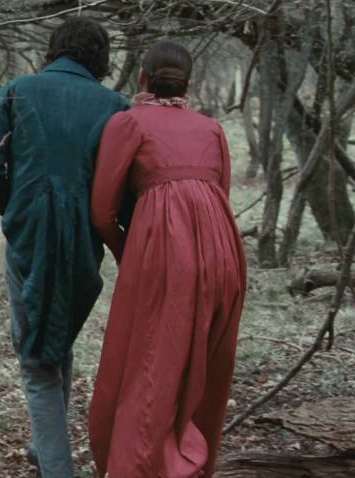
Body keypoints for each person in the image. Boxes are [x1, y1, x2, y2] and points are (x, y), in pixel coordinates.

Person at [0, 17, 128, 477]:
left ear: (54, 48)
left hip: (29, 237)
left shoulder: (18, 91)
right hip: (84, 240)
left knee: (38, 358)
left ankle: (56, 467)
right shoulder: (115, 106)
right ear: (100, 57)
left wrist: (19, 211)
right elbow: (123, 187)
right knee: (56, 339)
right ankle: (45, 446)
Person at [88, 40, 248, 477]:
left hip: (163, 249)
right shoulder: (211, 128)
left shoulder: (128, 122)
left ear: (143, 77)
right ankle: (193, 461)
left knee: (151, 363)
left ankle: (142, 468)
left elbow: (102, 211)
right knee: (206, 364)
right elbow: (221, 194)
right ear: (188, 82)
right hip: (223, 249)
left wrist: (129, 254)